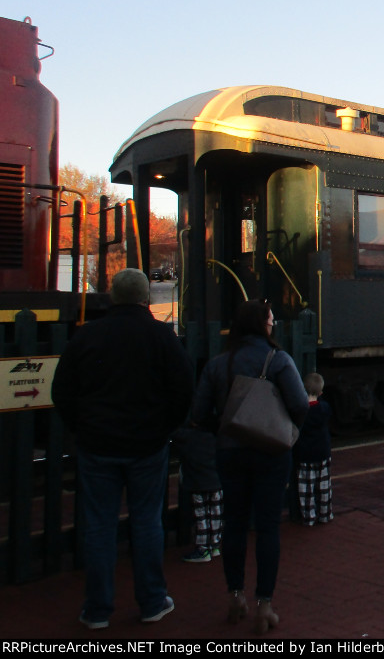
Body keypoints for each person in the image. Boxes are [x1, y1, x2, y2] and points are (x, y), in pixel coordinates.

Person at [51, 268, 194, 630]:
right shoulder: (162, 337)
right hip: (147, 446)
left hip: (97, 446)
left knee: (98, 526)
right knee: (147, 522)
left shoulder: (88, 336)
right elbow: (183, 391)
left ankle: (97, 610)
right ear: (146, 298)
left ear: (112, 297)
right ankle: (151, 601)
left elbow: (62, 391)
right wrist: (164, 428)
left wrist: (82, 429)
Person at [191, 300, 308, 634]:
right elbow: (300, 404)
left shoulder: (217, 365)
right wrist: (288, 432)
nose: (273, 325)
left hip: (230, 453)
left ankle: (235, 597)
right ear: (262, 325)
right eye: (271, 320)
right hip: (271, 454)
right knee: (269, 527)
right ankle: (265, 606)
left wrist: (228, 427)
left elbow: (199, 415)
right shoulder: (279, 360)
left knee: (235, 523)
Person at [171, 417, 223, 562]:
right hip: (216, 481)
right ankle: (215, 545)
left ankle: (203, 548)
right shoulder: (216, 436)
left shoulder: (188, 436)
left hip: (197, 482)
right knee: (215, 513)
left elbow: (173, 434)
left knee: (201, 516)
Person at [292, 373, 333, 526]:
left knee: (306, 488)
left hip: (304, 454)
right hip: (322, 452)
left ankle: (309, 517)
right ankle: (325, 514)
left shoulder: (301, 411)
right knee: (323, 486)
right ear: (321, 393)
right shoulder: (324, 408)